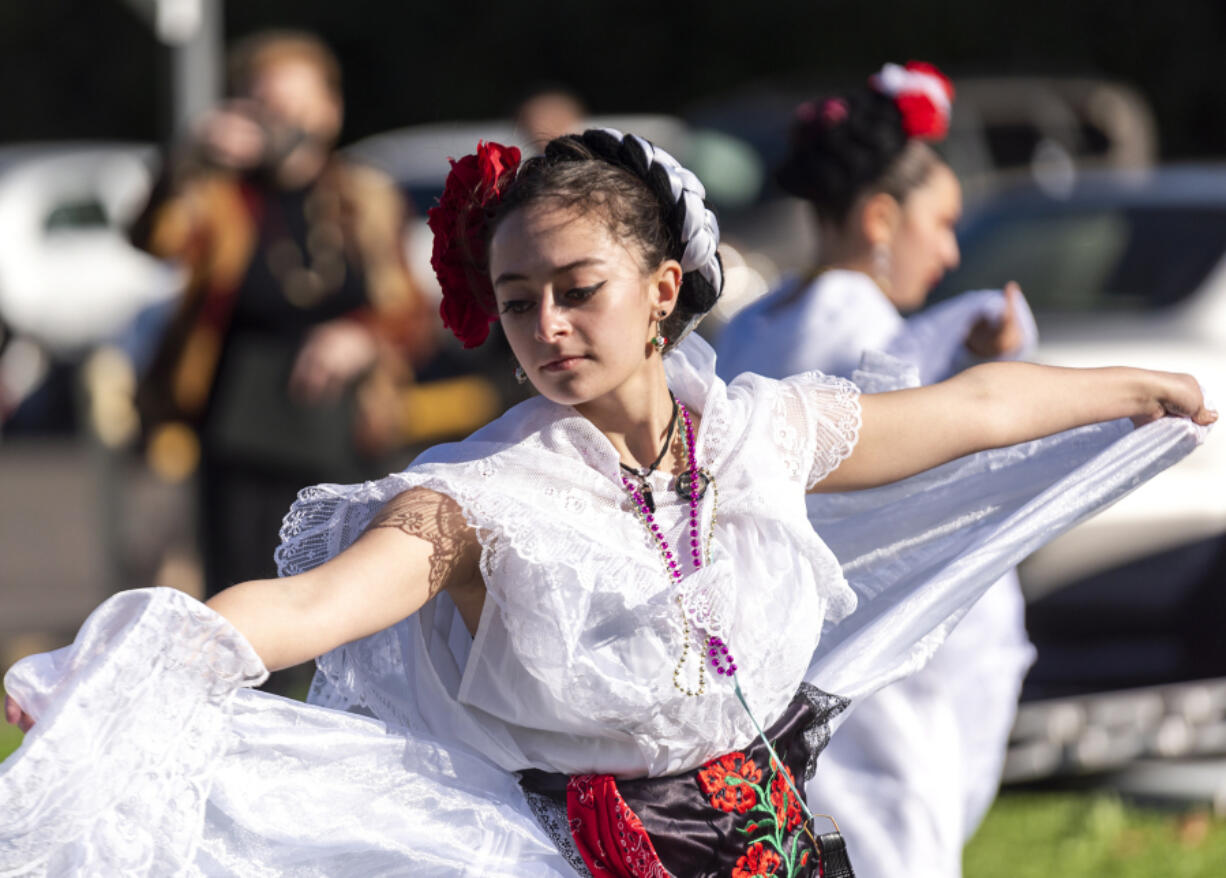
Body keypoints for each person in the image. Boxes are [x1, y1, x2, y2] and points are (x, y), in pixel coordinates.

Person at [1, 129, 1213, 877]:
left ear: (660, 286)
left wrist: (1139, 388)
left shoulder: (750, 432)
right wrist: (142, 655)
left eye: (576, 289)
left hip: (770, 847)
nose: (545, 326)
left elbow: (968, 409)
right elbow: (310, 604)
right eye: (517, 298)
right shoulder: (483, 494)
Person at [716, 63, 1036, 878]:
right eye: (943, 222)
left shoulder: (759, 316)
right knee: (892, 828)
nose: (951, 249)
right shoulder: (855, 320)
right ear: (883, 217)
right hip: (859, 638)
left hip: (786, 634)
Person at [130, 30, 436, 598]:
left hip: (344, 426)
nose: (284, 121)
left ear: (331, 108)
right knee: (244, 590)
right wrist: (185, 156)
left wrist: (360, 337)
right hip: (236, 429)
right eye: (266, 106)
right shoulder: (217, 196)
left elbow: (412, 314)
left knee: (347, 594)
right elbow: (153, 238)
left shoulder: (366, 196)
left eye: (297, 105)